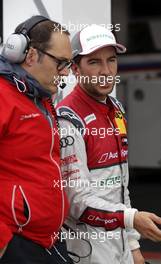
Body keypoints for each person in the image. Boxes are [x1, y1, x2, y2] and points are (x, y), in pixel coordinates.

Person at [57, 24, 161, 264]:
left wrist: (133, 245)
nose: (106, 71)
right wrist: (131, 218)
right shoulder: (67, 119)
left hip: (120, 243)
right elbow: (77, 203)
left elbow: (120, 185)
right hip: (87, 249)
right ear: (76, 69)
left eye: (111, 60)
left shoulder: (115, 108)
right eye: (94, 62)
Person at [0, 15, 73, 264]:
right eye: (60, 63)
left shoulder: (39, 96)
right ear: (30, 55)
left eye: (69, 64)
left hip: (48, 241)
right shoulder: (3, 97)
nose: (65, 73)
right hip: (15, 245)